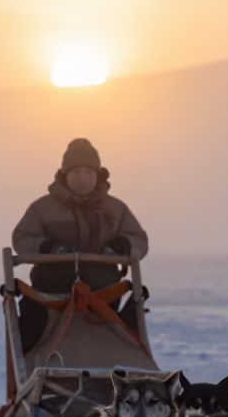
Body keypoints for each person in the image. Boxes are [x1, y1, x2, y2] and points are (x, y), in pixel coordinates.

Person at [12, 138, 148, 352]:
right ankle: (30, 370)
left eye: (88, 173)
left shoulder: (116, 209)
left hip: (104, 293)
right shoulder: (42, 208)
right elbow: (22, 237)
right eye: (76, 173)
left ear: (98, 176)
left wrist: (122, 245)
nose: (82, 179)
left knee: (127, 332)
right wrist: (48, 248)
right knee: (29, 329)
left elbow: (139, 239)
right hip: (50, 292)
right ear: (64, 176)